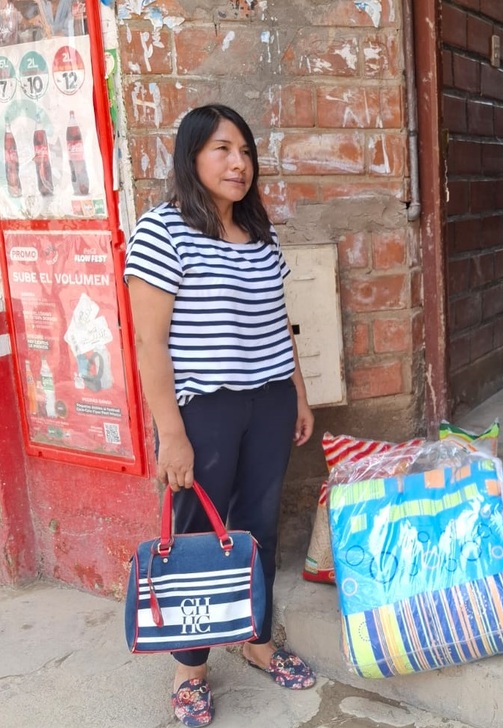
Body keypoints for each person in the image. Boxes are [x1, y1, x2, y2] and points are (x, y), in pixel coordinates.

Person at [124, 104, 316, 728]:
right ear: (192, 157)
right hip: (203, 411)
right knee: (196, 535)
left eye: (245, 152)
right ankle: (190, 670)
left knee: (259, 524)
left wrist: (299, 393)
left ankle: (256, 642)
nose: (239, 164)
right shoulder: (162, 231)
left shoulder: (262, 235)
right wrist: (172, 437)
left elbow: (276, 325)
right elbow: (151, 344)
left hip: (269, 402)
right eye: (221, 150)